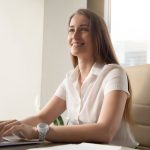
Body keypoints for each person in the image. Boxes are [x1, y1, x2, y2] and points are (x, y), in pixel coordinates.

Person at [0, 8, 138, 148]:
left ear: (99, 36)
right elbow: (42, 117)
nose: (75, 36)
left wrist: (37, 132)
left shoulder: (114, 74)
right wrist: (10, 128)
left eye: (84, 30)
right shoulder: (70, 79)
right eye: (71, 30)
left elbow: (105, 131)